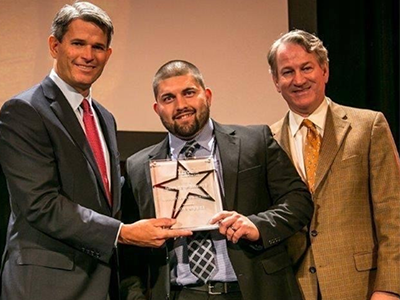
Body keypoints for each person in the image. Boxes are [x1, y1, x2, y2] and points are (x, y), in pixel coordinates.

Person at [0, 3, 189, 300]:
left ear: (108, 55)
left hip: (102, 284)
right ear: (54, 45)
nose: (89, 56)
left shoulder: (104, 117)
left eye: (98, 47)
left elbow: (106, 197)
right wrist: (123, 233)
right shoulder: (24, 110)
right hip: (46, 285)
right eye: (78, 44)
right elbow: (40, 203)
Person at [122, 60, 314, 300]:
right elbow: (129, 252)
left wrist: (257, 226)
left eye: (189, 93)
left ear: (208, 96)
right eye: (168, 98)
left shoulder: (254, 141)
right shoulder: (138, 167)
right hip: (182, 294)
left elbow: (298, 201)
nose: (181, 105)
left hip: (253, 290)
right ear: (157, 108)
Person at [268, 29, 400, 300]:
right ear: (276, 81)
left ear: (324, 71)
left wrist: (389, 288)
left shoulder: (368, 126)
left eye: (307, 68)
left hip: (360, 287)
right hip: (294, 288)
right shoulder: (266, 141)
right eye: (288, 72)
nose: (299, 79)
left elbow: (393, 214)